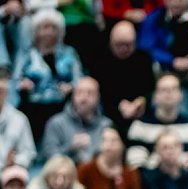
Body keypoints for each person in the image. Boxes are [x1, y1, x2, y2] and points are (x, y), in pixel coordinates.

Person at [12, 8, 83, 141]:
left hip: (62, 106)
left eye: (53, 28)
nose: (49, 32)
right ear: (36, 31)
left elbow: (79, 79)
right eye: (45, 27)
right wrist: (23, 84)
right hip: (33, 106)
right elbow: (15, 79)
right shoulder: (27, 54)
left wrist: (71, 86)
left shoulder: (69, 53)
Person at [126, 73, 188, 169]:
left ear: (181, 94)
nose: (169, 93)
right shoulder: (140, 126)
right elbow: (135, 165)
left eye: (173, 89)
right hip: (151, 181)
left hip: (187, 179)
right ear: (155, 95)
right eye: (164, 90)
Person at [90, 21, 156, 133]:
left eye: (128, 44)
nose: (124, 49)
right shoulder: (99, 59)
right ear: (111, 42)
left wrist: (141, 101)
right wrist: (119, 105)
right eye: (119, 44)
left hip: (140, 113)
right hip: (106, 113)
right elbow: (98, 91)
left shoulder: (144, 59)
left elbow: (151, 88)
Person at [40, 76, 112, 166]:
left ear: (98, 97)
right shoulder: (56, 123)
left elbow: (113, 157)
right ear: (73, 96)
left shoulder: (106, 125)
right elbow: (49, 158)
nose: (84, 98)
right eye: (79, 92)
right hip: (64, 177)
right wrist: (71, 148)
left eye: (90, 93)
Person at [0, 69, 36, 169]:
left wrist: (15, 160)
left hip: (11, 175)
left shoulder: (19, 119)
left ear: (7, 92)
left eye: (1, 91)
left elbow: (29, 153)